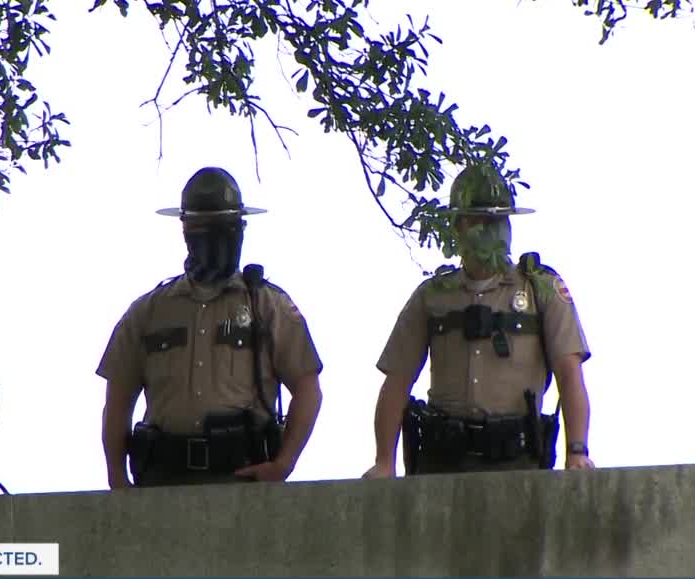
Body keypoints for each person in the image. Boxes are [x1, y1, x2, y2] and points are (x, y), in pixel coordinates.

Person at [97, 167, 324, 489]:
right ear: (185, 229)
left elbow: (307, 389)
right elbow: (118, 401)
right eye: (204, 227)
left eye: (226, 227)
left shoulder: (268, 306)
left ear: (241, 228)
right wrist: (117, 479)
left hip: (242, 479)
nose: (215, 237)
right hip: (162, 481)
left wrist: (283, 464)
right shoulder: (148, 312)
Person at [363, 163, 593, 478]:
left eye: (500, 220)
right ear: (458, 225)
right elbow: (396, 381)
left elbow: (570, 373)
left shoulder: (540, 289)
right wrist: (384, 462)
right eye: (481, 220)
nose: (492, 230)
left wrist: (577, 452)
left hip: (516, 462)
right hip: (441, 462)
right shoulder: (433, 296)